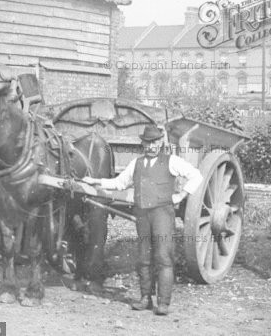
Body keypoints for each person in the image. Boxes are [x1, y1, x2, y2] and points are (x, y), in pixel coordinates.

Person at [82, 124, 202, 315]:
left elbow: (196, 176)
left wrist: (181, 196)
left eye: (154, 142)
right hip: (143, 216)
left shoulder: (171, 161)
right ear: (143, 144)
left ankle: (163, 303)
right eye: (147, 143)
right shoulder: (136, 163)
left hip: (163, 214)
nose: (151, 146)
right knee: (144, 258)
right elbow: (119, 183)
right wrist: (96, 181)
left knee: (163, 257)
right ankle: (145, 298)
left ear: (160, 142)